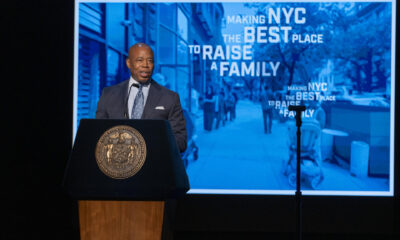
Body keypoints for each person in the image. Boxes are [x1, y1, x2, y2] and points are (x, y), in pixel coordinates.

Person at [96, 43, 187, 152]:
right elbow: (98, 134)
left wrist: (154, 143)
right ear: (129, 63)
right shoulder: (109, 95)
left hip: (154, 163)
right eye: (139, 60)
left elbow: (181, 142)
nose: (145, 65)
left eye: (150, 61)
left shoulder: (171, 98)